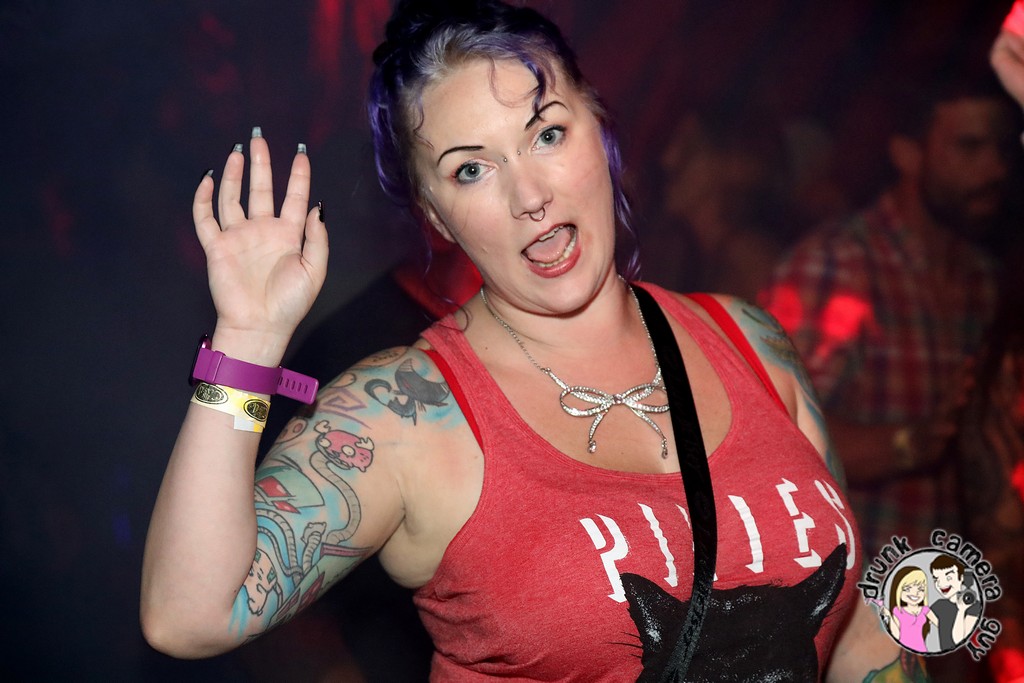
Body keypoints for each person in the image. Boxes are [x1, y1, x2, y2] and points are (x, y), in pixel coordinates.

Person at [141, 1, 915, 679]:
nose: (530, 195)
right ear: (435, 216)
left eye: (547, 133)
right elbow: (188, 613)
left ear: (599, 130)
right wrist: (247, 338)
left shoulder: (748, 340)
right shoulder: (408, 414)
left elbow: (853, 628)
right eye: (471, 170)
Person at [758, 75, 1017, 559]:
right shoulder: (836, 266)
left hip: (949, 586)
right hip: (856, 584)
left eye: (1003, 148)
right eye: (970, 147)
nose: (995, 168)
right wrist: (909, 443)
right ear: (907, 153)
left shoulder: (986, 280)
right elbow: (774, 435)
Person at [880, 566, 938, 653]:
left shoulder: (925, 610)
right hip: (903, 648)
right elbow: (897, 635)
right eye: (907, 589)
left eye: (921, 589)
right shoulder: (897, 611)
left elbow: (941, 625)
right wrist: (888, 616)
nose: (915, 593)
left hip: (921, 649)